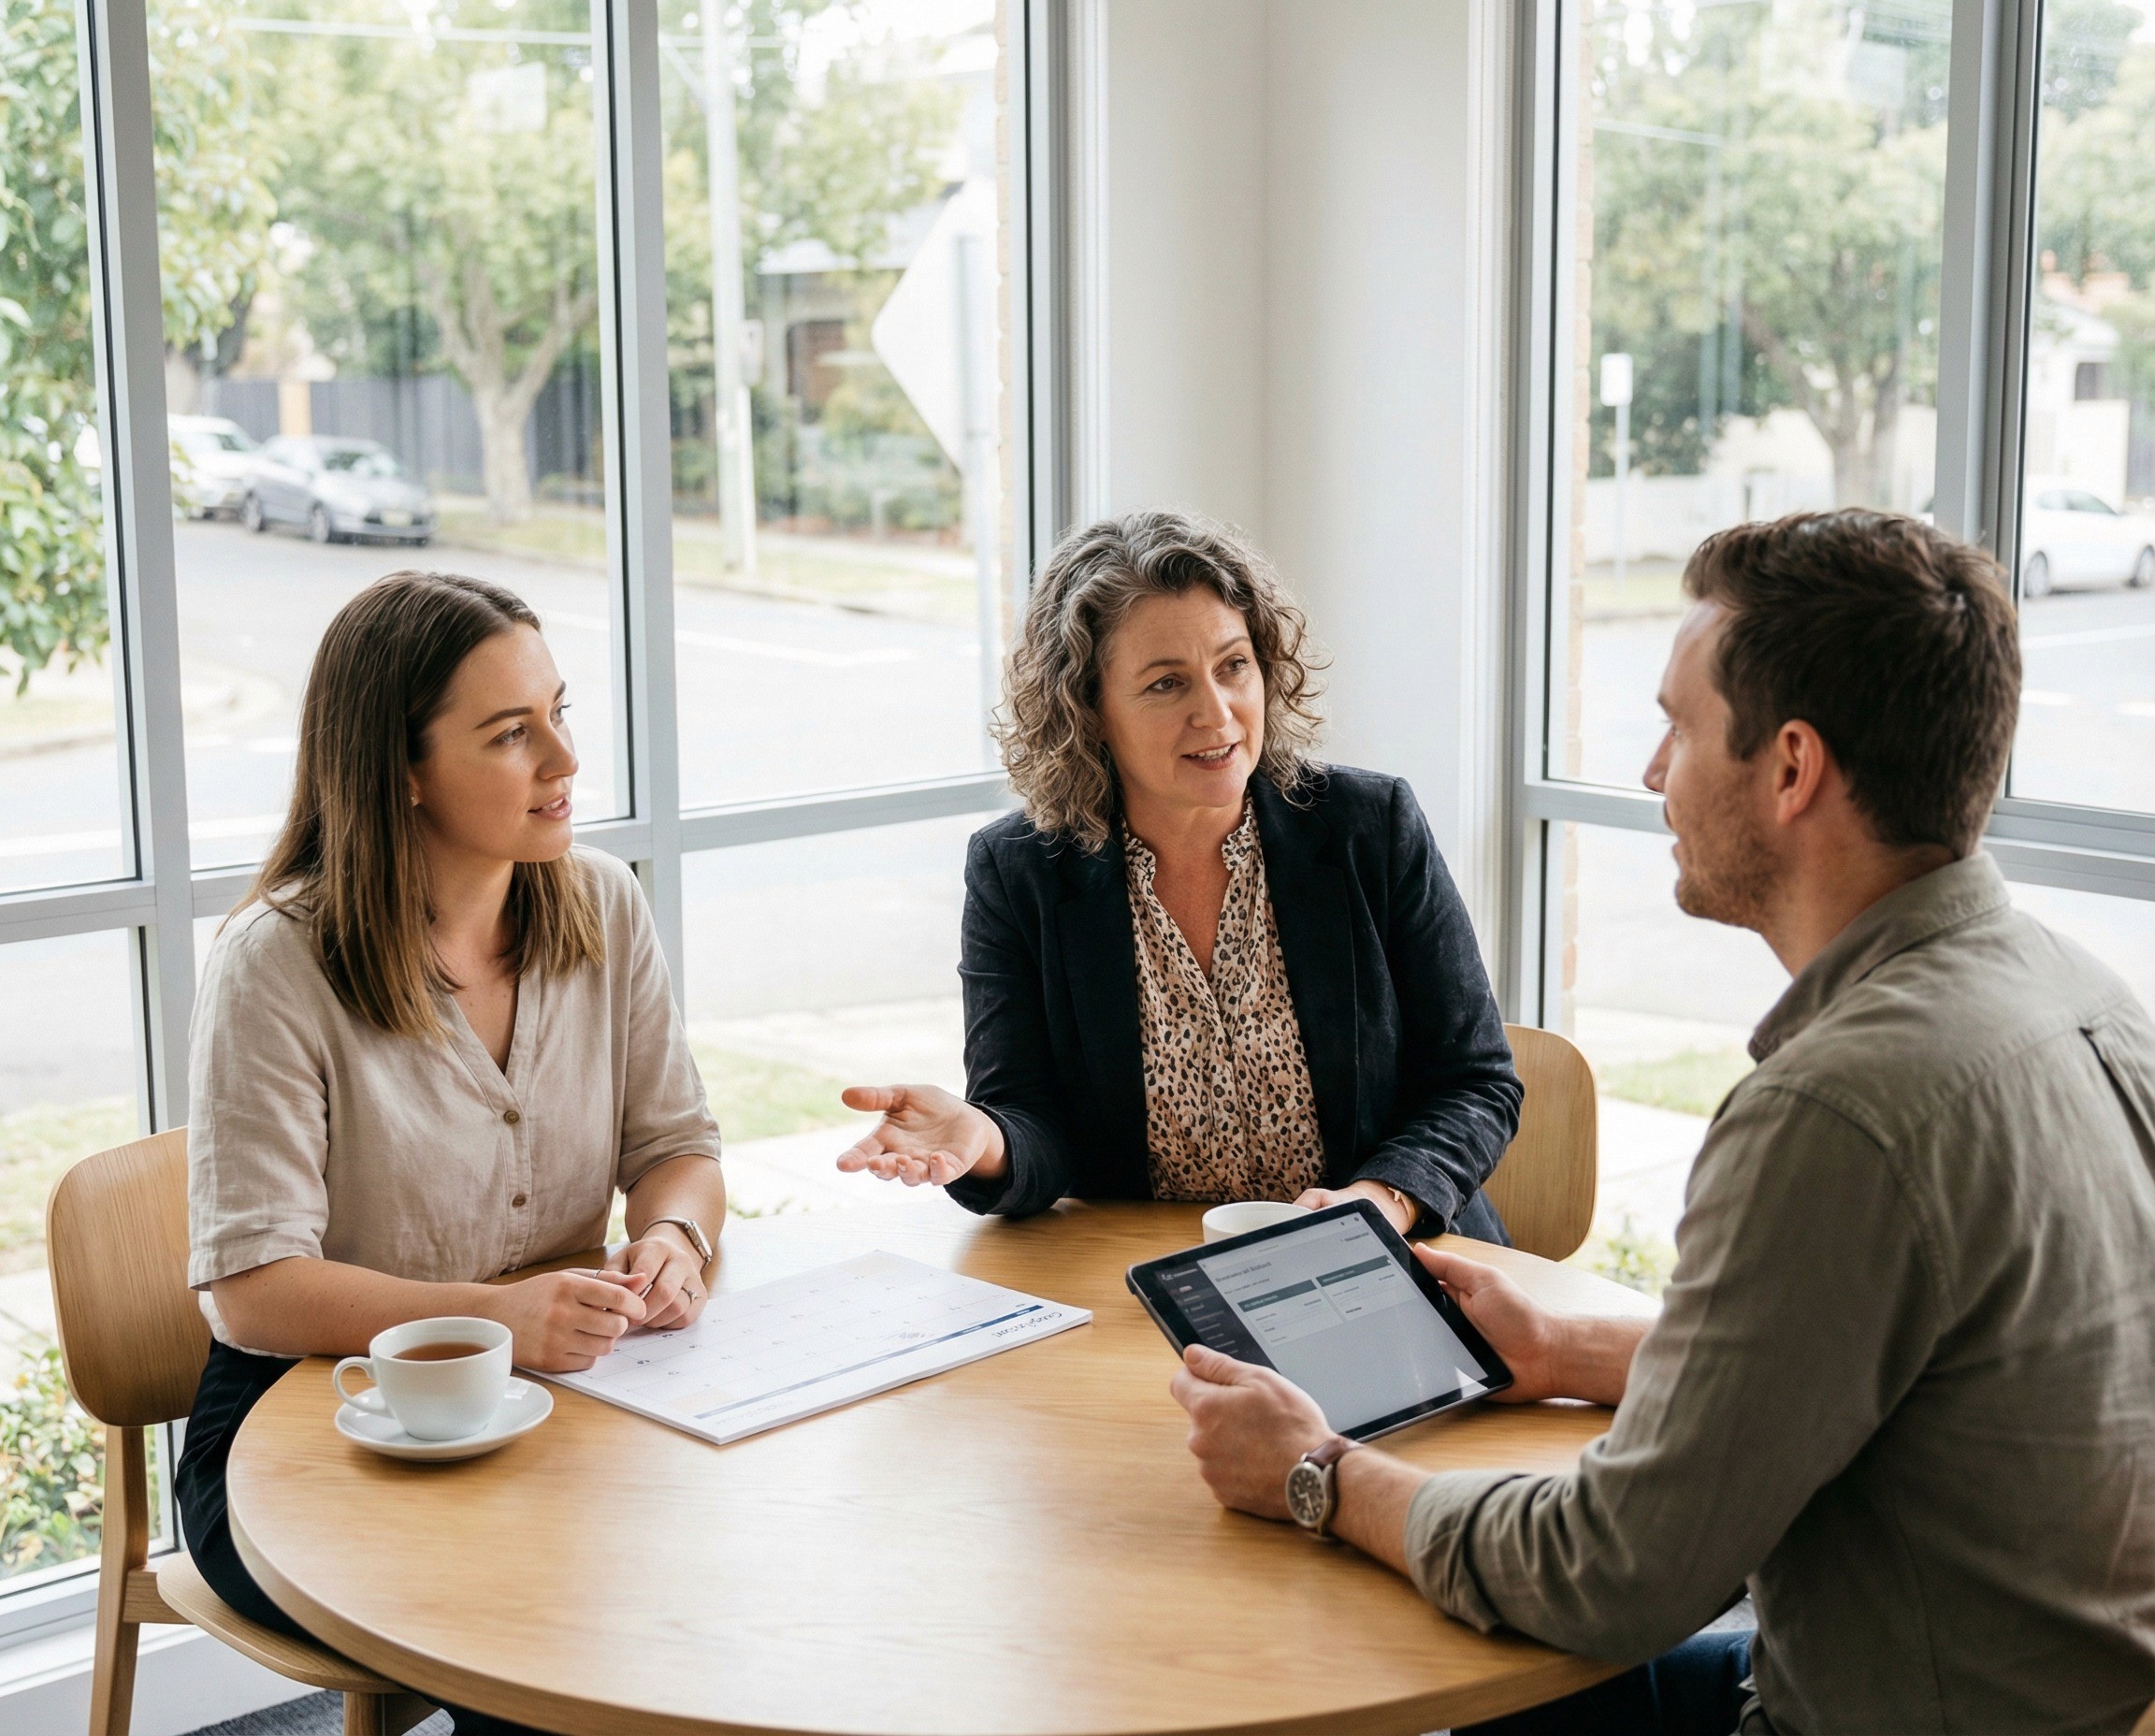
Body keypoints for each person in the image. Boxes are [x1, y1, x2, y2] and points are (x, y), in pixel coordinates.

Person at [1169, 510, 2155, 1735]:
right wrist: (1570, 1353)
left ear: (1792, 769)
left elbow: (1608, 1576)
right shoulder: (2087, 1000)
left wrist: (1318, 1474)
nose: (1649, 773)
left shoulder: (1836, 1114)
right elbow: (1888, 1374)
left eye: (1678, 726)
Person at [179, 571, 725, 1735]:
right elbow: (253, 1290)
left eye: (559, 713)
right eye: (511, 734)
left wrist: (674, 1233)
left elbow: (677, 1144)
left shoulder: (603, 907)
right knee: (556, 1635)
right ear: (402, 772)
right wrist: (503, 1314)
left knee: (718, 1583)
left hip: (562, 1396)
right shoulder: (274, 967)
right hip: (311, 1425)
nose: (566, 761)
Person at [837, 511, 1522, 1239]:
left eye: (1233, 666)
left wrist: (1382, 1201)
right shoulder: (1019, 872)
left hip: (1392, 1258)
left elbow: (1474, 1082)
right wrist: (983, 1139)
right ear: (1089, 711)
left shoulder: (1370, 825)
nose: (1217, 713)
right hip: (1157, 1276)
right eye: (1166, 684)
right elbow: (1033, 1120)